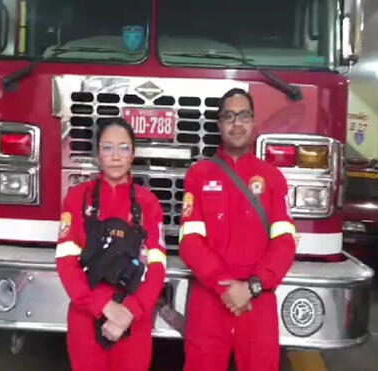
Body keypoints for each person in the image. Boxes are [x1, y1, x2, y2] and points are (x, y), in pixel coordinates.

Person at [179, 88, 296, 371]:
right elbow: (190, 242)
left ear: (253, 121)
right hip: (210, 300)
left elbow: (285, 243)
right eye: (229, 117)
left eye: (243, 115)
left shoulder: (272, 178)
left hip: (258, 300)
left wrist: (253, 286)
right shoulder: (199, 175)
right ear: (219, 125)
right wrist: (224, 286)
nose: (237, 123)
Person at [56, 118, 167, 371]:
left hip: (133, 322)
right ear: (97, 154)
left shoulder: (148, 203)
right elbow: (66, 263)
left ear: (133, 154)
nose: (115, 156)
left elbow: (157, 268)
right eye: (107, 148)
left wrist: (130, 312)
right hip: (86, 318)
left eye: (123, 148)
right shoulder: (76, 199)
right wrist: (103, 306)